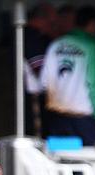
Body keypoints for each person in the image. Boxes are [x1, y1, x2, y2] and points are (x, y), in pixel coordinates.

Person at [41, 5, 95, 146]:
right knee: (88, 157)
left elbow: (45, 81)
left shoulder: (56, 44)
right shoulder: (92, 46)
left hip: (56, 117)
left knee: (59, 157)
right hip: (82, 118)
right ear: (92, 23)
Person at [24, 3, 56, 136]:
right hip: (33, 98)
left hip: (34, 98)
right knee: (37, 138)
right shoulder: (31, 36)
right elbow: (40, 69)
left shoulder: (40, 37)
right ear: (40, 19)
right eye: (52, 23)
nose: (53, 27)